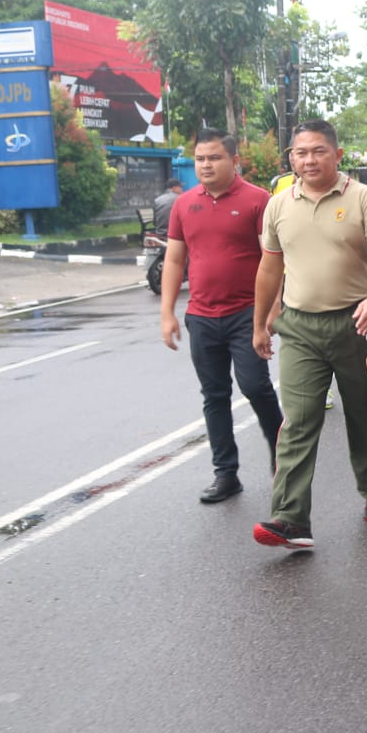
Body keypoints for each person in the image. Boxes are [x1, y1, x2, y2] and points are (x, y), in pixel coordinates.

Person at [250, 119, 367, 551]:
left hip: (355, 322)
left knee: (366, 415)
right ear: (291, 157)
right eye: (300, 152)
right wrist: (261, 323)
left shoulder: (363, 198)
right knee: (298, 419)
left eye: (317, 151)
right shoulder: (279, 205)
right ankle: (290, 518)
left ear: (337, 154)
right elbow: (270, 267)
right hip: (299, 327)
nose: (308, 160)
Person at [159, 130, 283, 504]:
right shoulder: (184, 205)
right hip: (201, 316)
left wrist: (271, 312)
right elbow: (175, 259)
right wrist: (167, 313)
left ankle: (285, 461)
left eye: (214, 158)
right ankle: (225, 474)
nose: (206, 165)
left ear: (234, 160)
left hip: (247, 314)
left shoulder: (258, 201)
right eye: (200, 159)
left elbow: (275, 260)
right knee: (214, 395)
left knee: (256, 387)